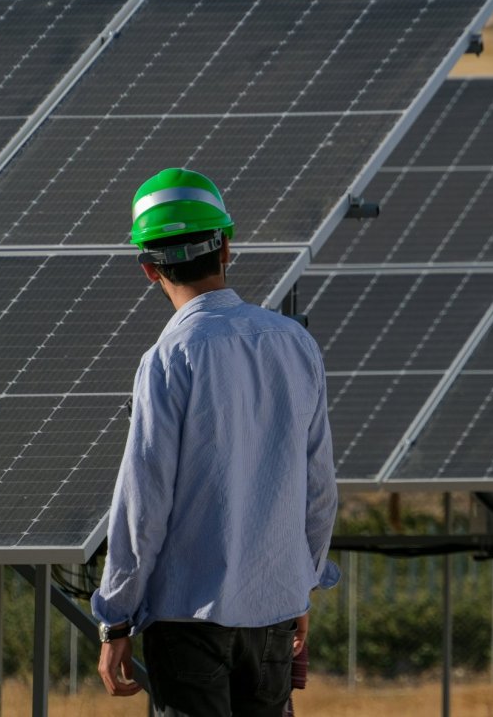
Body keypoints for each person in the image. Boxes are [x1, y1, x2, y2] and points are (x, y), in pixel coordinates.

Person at [91, 167, 339, 716]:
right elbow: (319, 486)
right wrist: (303, 581)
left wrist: (115, 616)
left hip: (188, 624)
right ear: (227, 246)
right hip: (274, 612)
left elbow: (143, 502)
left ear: (149, 269)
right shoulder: (295, 344)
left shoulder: (168, 359)